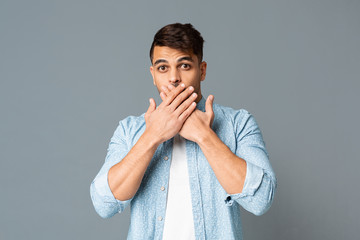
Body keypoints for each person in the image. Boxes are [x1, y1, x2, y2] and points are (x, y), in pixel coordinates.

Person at [90, 23, 277, 240]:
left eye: (185, 66)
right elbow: (103, 204)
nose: (173, 78)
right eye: (163, 68)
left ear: (202, 70)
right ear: (153, 75)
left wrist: (205, 136)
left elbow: (261, 199)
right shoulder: (130, 130)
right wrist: (152, 136)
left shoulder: (239, 124)